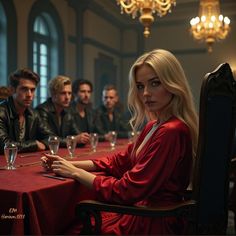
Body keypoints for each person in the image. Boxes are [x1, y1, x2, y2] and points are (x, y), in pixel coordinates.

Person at [41, 49, 198, 235]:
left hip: (153, 221)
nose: (146, 93)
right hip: (145, 211)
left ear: (173, 84)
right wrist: (67, 164)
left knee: (67, 227)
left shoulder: (172, 130)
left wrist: (75, 173)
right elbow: (120, 161)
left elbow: (126, 191)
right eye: (140, 86)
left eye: (155, 83)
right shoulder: (154, 125)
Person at [0, 68, 52, 153]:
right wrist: (34, 145)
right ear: (12, 90)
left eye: (32, 90)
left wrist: (41, 144)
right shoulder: (1, 112)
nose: (29, 95)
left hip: (24, 161)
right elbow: (4, 145)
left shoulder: (33, 113)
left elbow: (51, 137)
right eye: (24, 89)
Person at [36, 76, 90, 147]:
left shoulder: (67, 111)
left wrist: (83, 138)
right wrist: (73, 140)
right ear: (53, 94)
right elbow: (50, 138)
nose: (67, 97)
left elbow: (77, 134)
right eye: (63, 93)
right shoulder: (42, 110)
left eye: (69, 93)